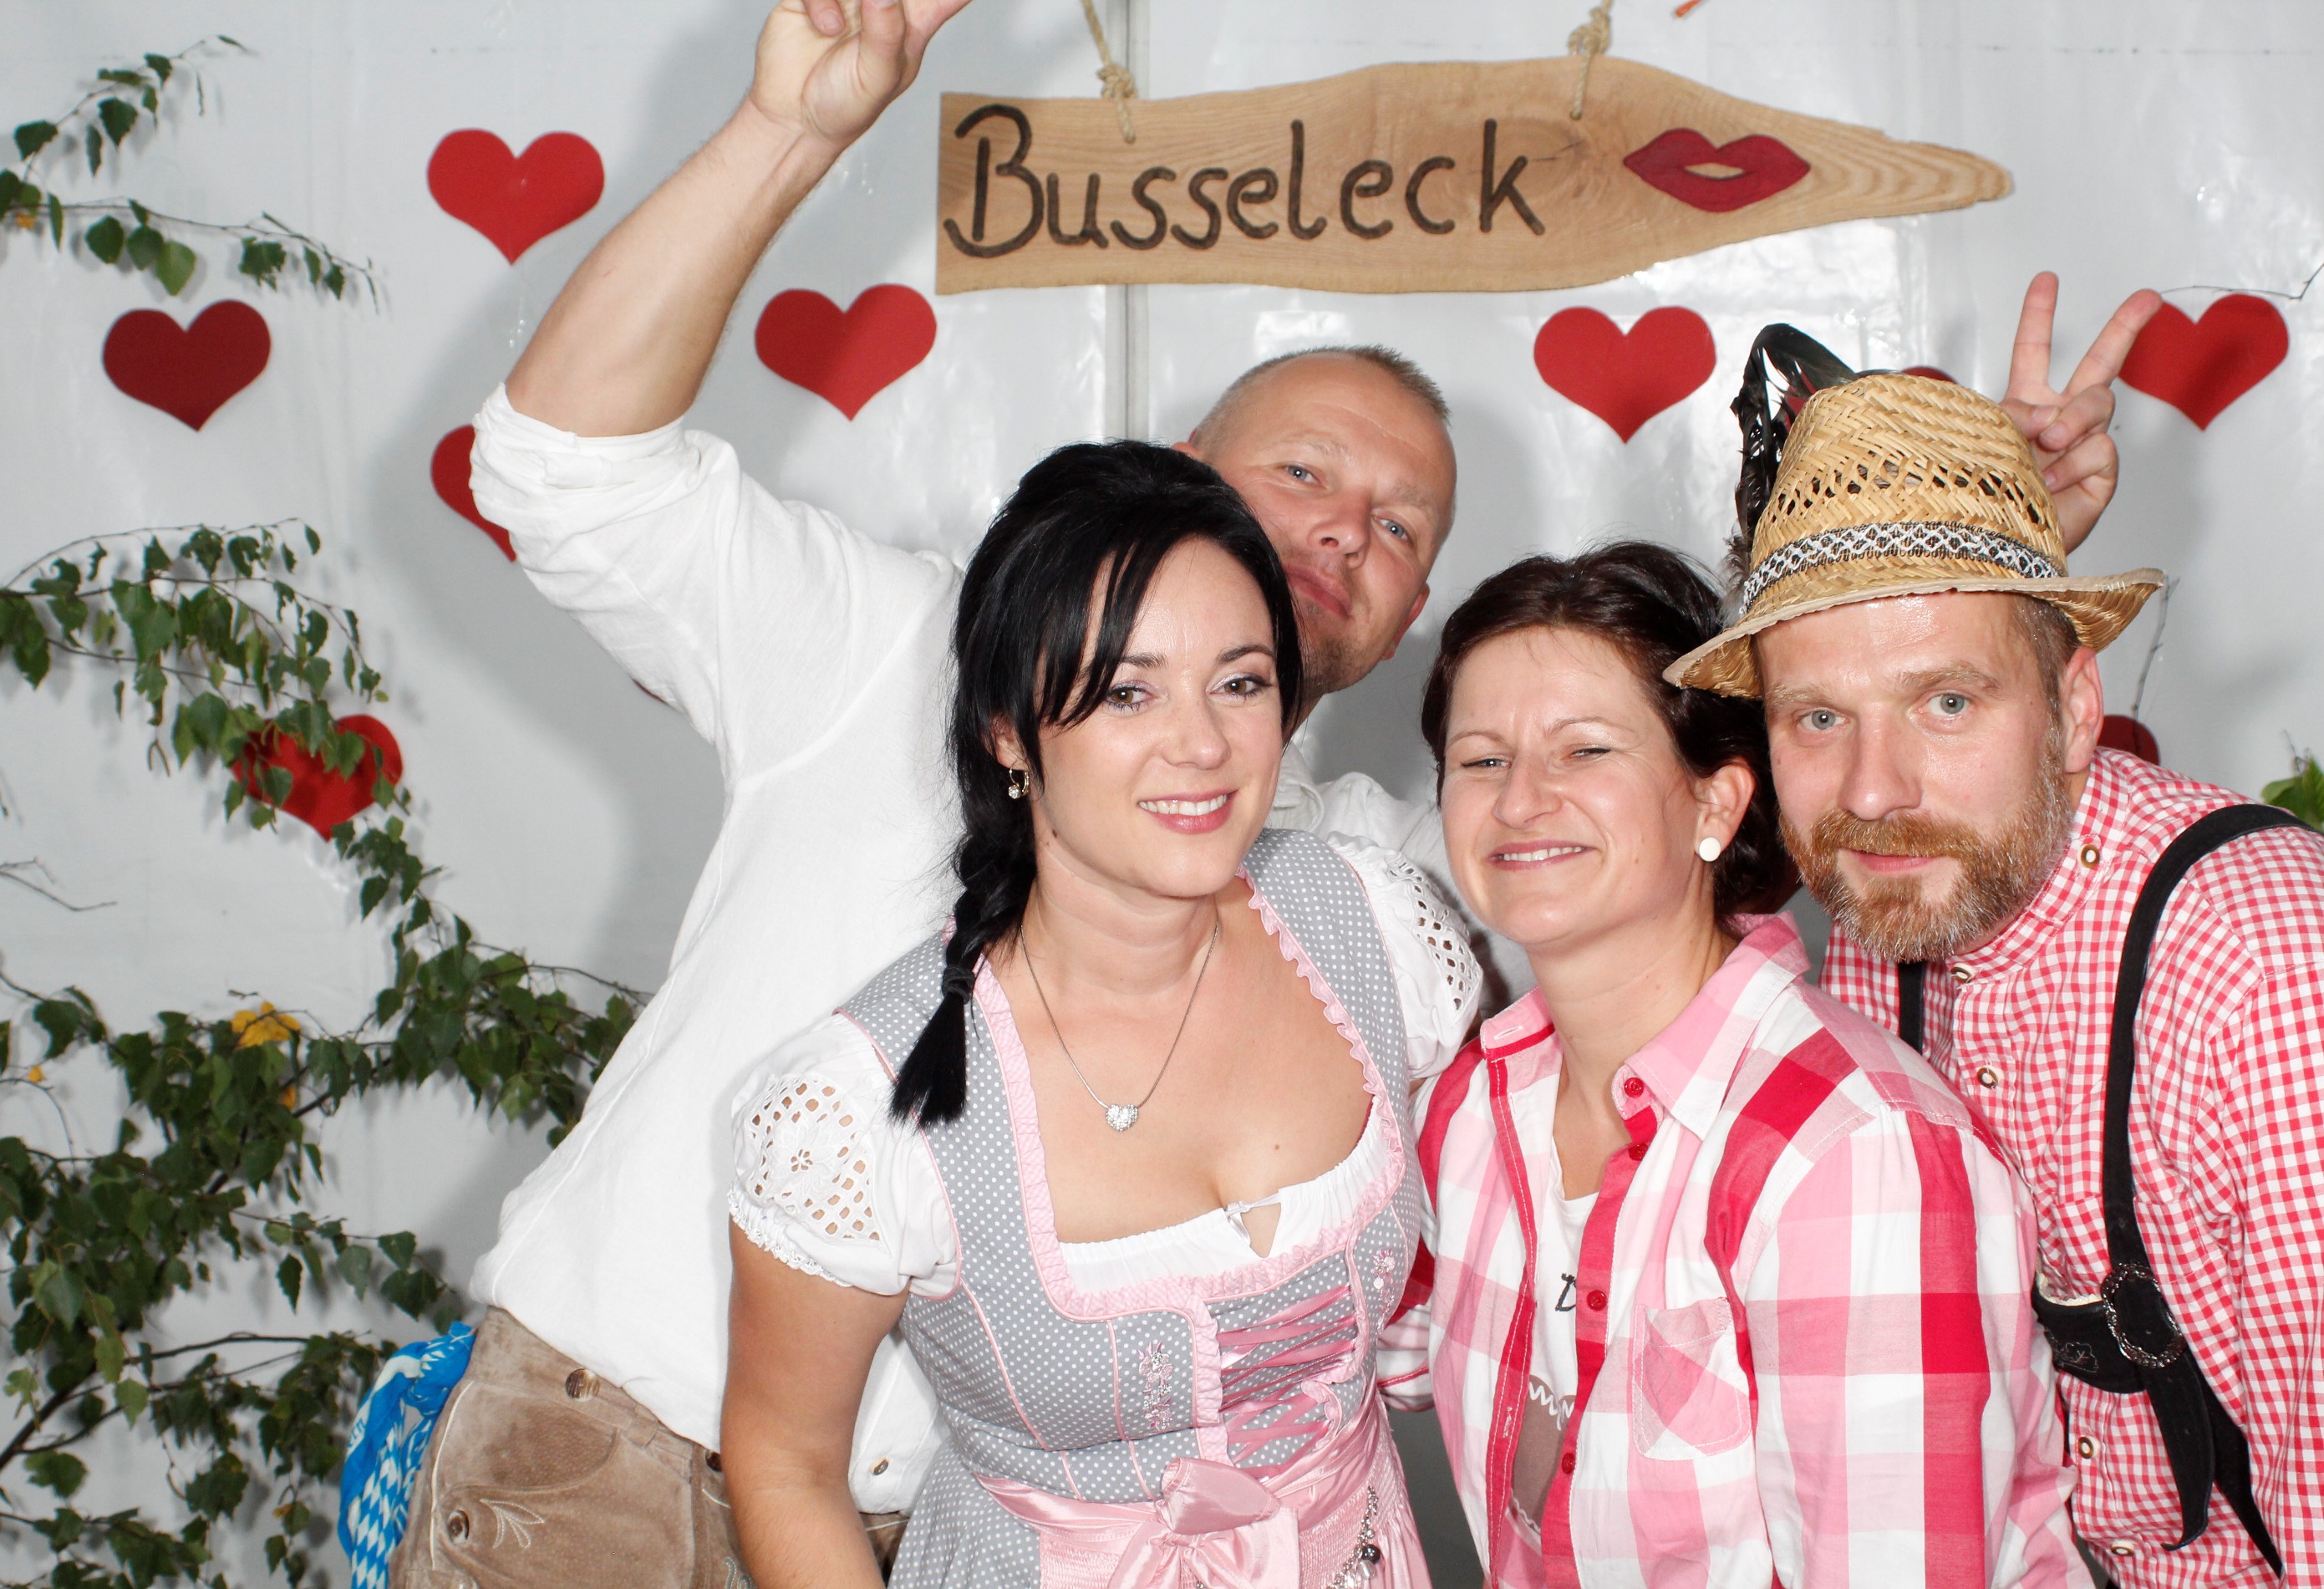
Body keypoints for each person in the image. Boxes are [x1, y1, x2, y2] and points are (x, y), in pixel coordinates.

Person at [394, 0, 2157, 1571]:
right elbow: (555, 470)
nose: (1342, 532)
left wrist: (1949, 583)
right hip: (630, 1462)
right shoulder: (902, 639)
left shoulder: (1367, 887)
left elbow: (1677, 880)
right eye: (1303, 472)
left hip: (975, 1530)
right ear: (1172, 475)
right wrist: (791, 126)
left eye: (1401, 526)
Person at [720, 438, 1478, 1586]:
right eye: (1129, 691)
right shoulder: (863, 1100)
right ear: (1006, 729)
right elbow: (783, 1464)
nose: (1202, 744)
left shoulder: (1371, 926)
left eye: (1239, 682)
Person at [1667, 329, 2324, 1581]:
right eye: (1818, 716)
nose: (1873, 789)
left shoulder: (2260, 967)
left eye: (1947, 702)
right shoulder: (1893, 910)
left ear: (2074, 709)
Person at [1407, 543, 2084, 1585]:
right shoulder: (1466, 1108)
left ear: (1716, 806)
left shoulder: (1848, 1150)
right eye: (1482, 760)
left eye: (1585, 749)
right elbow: (1336, 1363)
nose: (1522, 799)